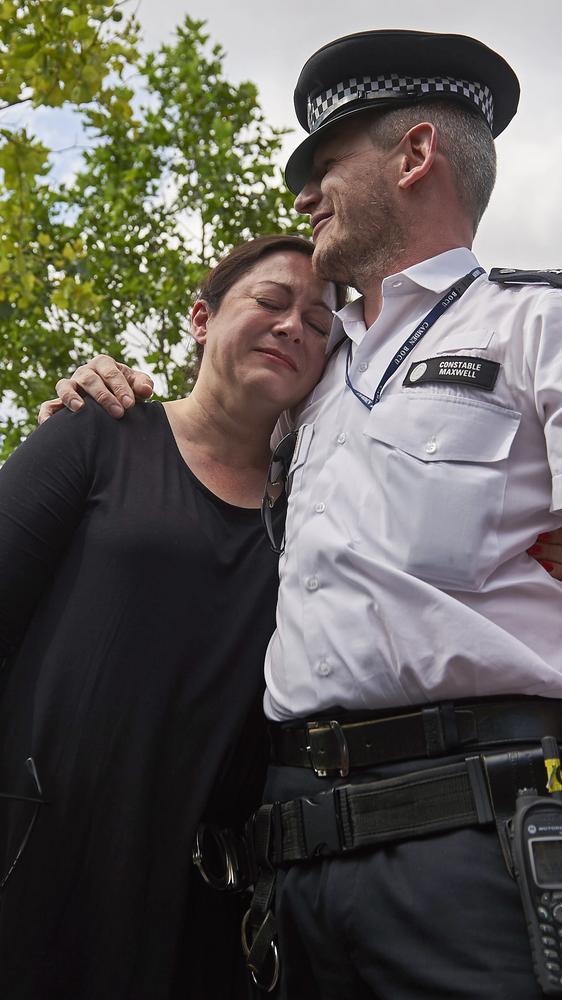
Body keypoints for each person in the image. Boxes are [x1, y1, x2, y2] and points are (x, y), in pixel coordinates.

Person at [40, 30, 562, 1000]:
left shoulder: (548, 324)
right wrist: (105, 394)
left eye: (323, 162)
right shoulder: (310, 388)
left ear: (412, 156)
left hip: (478, 863)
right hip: (290, 883)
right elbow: (204, 483)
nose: (301, 195)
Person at [0, 234, 343, 1000]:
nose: (296, 327)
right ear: (200, 317)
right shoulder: (97, 430)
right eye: (273, 301)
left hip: (202, 901)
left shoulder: (314, 512)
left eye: (321, 323)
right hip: (37, 855)